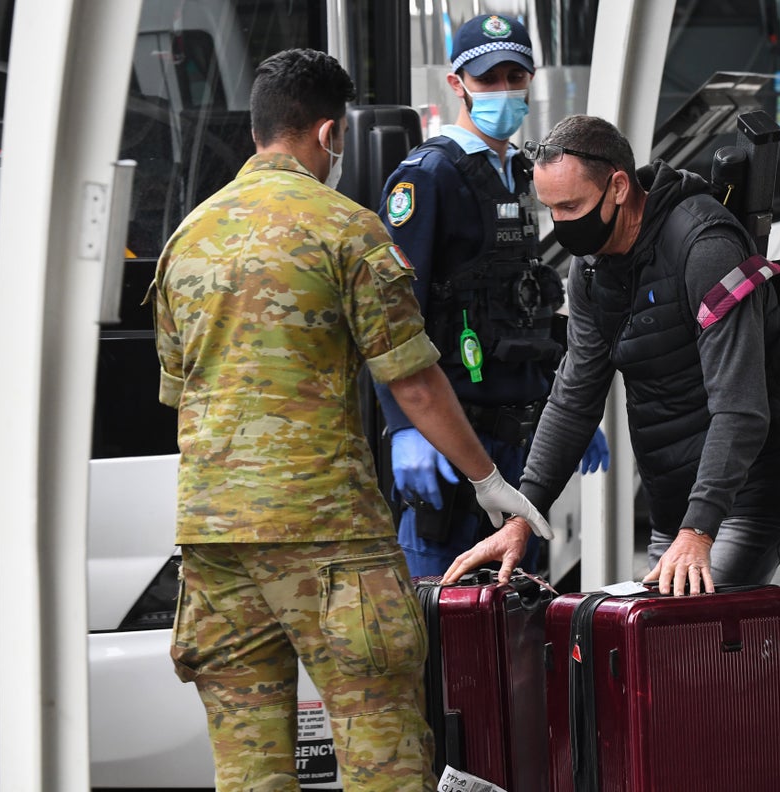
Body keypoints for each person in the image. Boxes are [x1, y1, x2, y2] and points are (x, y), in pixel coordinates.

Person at [151, 48, 551, 791]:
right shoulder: (347, 229)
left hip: (214, 543)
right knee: (383, 757)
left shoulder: (187, 239)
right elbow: (416, 381)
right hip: (328, 536)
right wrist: (489, 479)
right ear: (330, 135)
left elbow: (179, 392)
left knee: (247, 771)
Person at [442, 114, 780, 595]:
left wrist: (698, 529)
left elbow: (740, 408)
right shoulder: (592, 269)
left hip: (750, 493)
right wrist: (522, 514)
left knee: (691, 645)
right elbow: (574, 398)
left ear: (619, 186)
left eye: (572, 206)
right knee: (672, 656)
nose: (561, 225)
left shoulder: (707, 249)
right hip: (676, 499)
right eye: (550, 210)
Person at [376, 14, 607, 578]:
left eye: (515, 76)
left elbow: (523, 305)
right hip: (451, 444)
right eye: (488, 79)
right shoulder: (427, 177)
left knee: (519, 614)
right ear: (457, 84)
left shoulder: (521, 175)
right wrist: (405, 428)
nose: (504, 90)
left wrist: (566, 408)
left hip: (521, 441)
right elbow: (385, 315)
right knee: (444, 613)